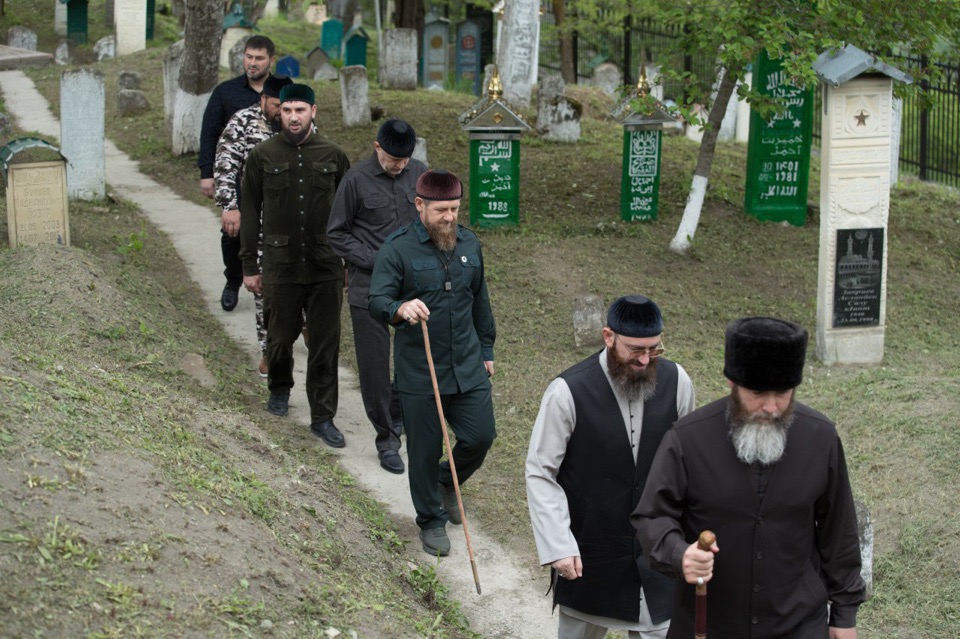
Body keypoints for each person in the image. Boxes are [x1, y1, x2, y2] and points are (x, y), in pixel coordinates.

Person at [632, 317, 865, 639]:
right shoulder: (687, 439)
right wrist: (679, 553)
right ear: (732, 382)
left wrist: (844, 614)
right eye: (757, 392)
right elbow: (652, 516)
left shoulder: (820, 437)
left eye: (782, 392)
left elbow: (839, 530)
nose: (771, 406)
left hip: (797, 624)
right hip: (708, 623)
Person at [526, 295, 695, 639]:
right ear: (608, 336)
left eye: (654, 349)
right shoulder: (567, 391)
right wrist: (558, 545)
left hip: (654, 554)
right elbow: (541, 471)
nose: (645, 359)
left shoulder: (678, 382)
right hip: (589, 553)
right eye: (636, 350)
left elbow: (687, 464)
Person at [368, 169, 497, 557]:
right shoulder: (397, 249)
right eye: (442, 210)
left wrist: (486, 350)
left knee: (481, 436)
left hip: (467, 364)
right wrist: (400, 307)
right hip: (421, 369)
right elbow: (377, 300)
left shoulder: (469, 244)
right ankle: (430, 520)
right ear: (420, 205)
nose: (450, 217)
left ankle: (446, 481)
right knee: (424, 450)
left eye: (455, 209)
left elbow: (480, 301)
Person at [238, 83, 350, 448]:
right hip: (280, 264)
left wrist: (349, 261)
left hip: (324, 264)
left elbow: (349, 213)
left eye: (300, 110)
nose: (293, 117)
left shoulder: (333, 154)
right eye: (287, 110)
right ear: (279, 113)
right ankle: (279, 389)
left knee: (324, 343)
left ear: (313, 111)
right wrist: (249, 265)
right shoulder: (262, 155)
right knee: (279, 336)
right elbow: (250, 210)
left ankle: (323, 416)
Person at [327, 119, 427, 475]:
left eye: (405, 159)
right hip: (368, 285)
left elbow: (431, 220)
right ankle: (387, 439)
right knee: (374, 364)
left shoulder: (420, 173)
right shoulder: (355, 179)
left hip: (411, 284)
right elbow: (336, 233)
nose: (400, 165)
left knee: (414, 355)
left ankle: (397, 414)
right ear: (376, 147)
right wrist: (375, 258)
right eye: (393, 159)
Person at [214, 74, 292, 377]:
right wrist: (230, 206)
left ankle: (300, 328)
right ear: (263, 99)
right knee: (265, 291)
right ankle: (269, 352)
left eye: (287, 107)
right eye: (276, 106)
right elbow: (225, 165)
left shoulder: (300, 123)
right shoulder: (243, 122)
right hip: (259, 223)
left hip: (297, 225)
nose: (283, 113)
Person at [199, 35, 276, 312]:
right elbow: (209, 133)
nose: (252, 63)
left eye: (259, 58)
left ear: (271, 61)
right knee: (232, 232)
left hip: (276, 180)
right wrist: (207, 174)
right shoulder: (226, 92)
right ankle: (233, 280)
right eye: (249, 57)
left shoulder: (282, 92)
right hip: (237, 178)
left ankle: (272, 285)